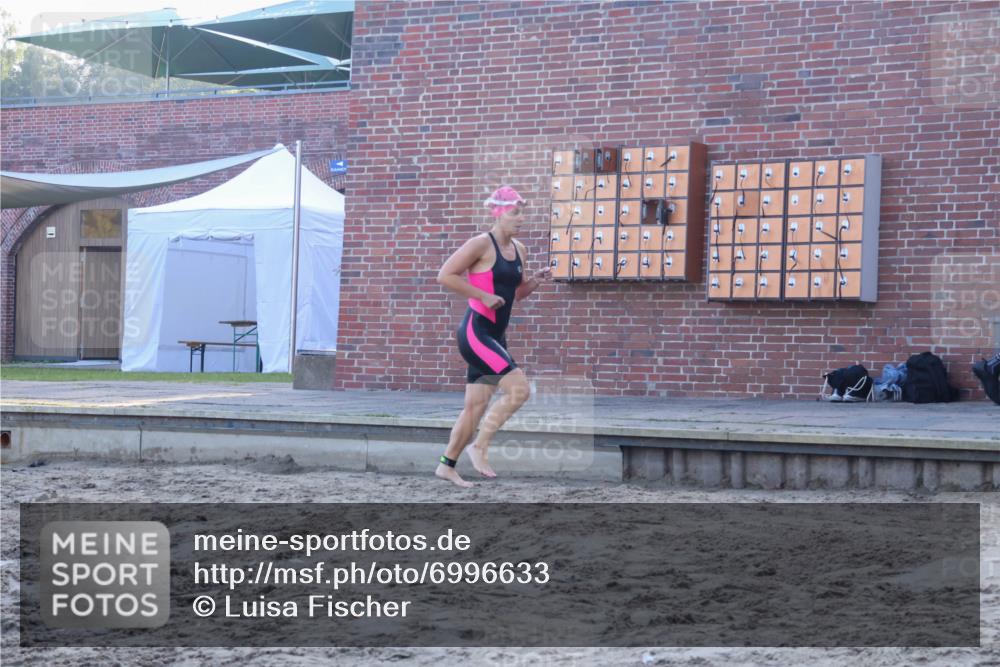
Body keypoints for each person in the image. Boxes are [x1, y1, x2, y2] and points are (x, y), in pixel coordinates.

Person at [434, 186, 552, 487]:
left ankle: (447, 465)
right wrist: (482, 296)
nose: (521, 218)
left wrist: (535, 282)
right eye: (515, 213)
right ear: (498, 214)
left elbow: (516, 294)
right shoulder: (480, 244)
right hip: (477, 332)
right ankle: (480, 446)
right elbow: (445, 275)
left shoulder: (520, 249)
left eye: (522, 213)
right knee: (519, 390)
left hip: (496, 335)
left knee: (474, 408)